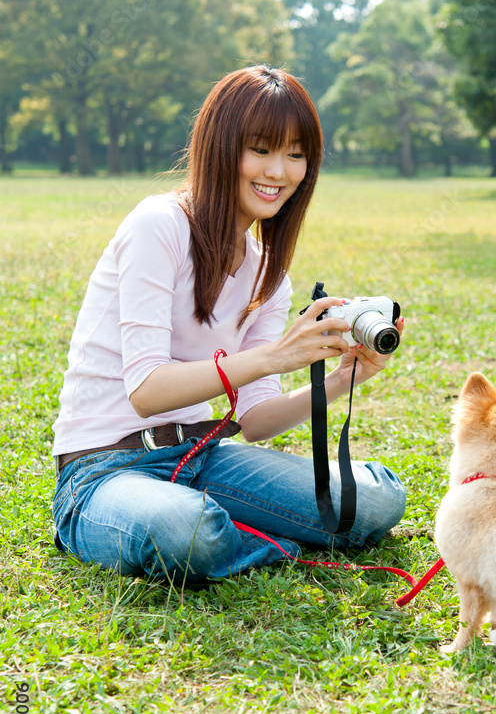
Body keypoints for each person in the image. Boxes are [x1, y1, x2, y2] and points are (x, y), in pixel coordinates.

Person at [52, 65, 406, 587]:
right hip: (104, 469)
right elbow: (147, 391)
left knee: (374, 502)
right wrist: (276, 356)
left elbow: (257, 419)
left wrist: (343, 379)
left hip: (202, 458)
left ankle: (229, 526)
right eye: (260, 149)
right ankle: (261, 536)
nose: (279, 171)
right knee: (181, 530)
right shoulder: (161, 225)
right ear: (221, 146)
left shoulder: (269, 273)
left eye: (296, 154)